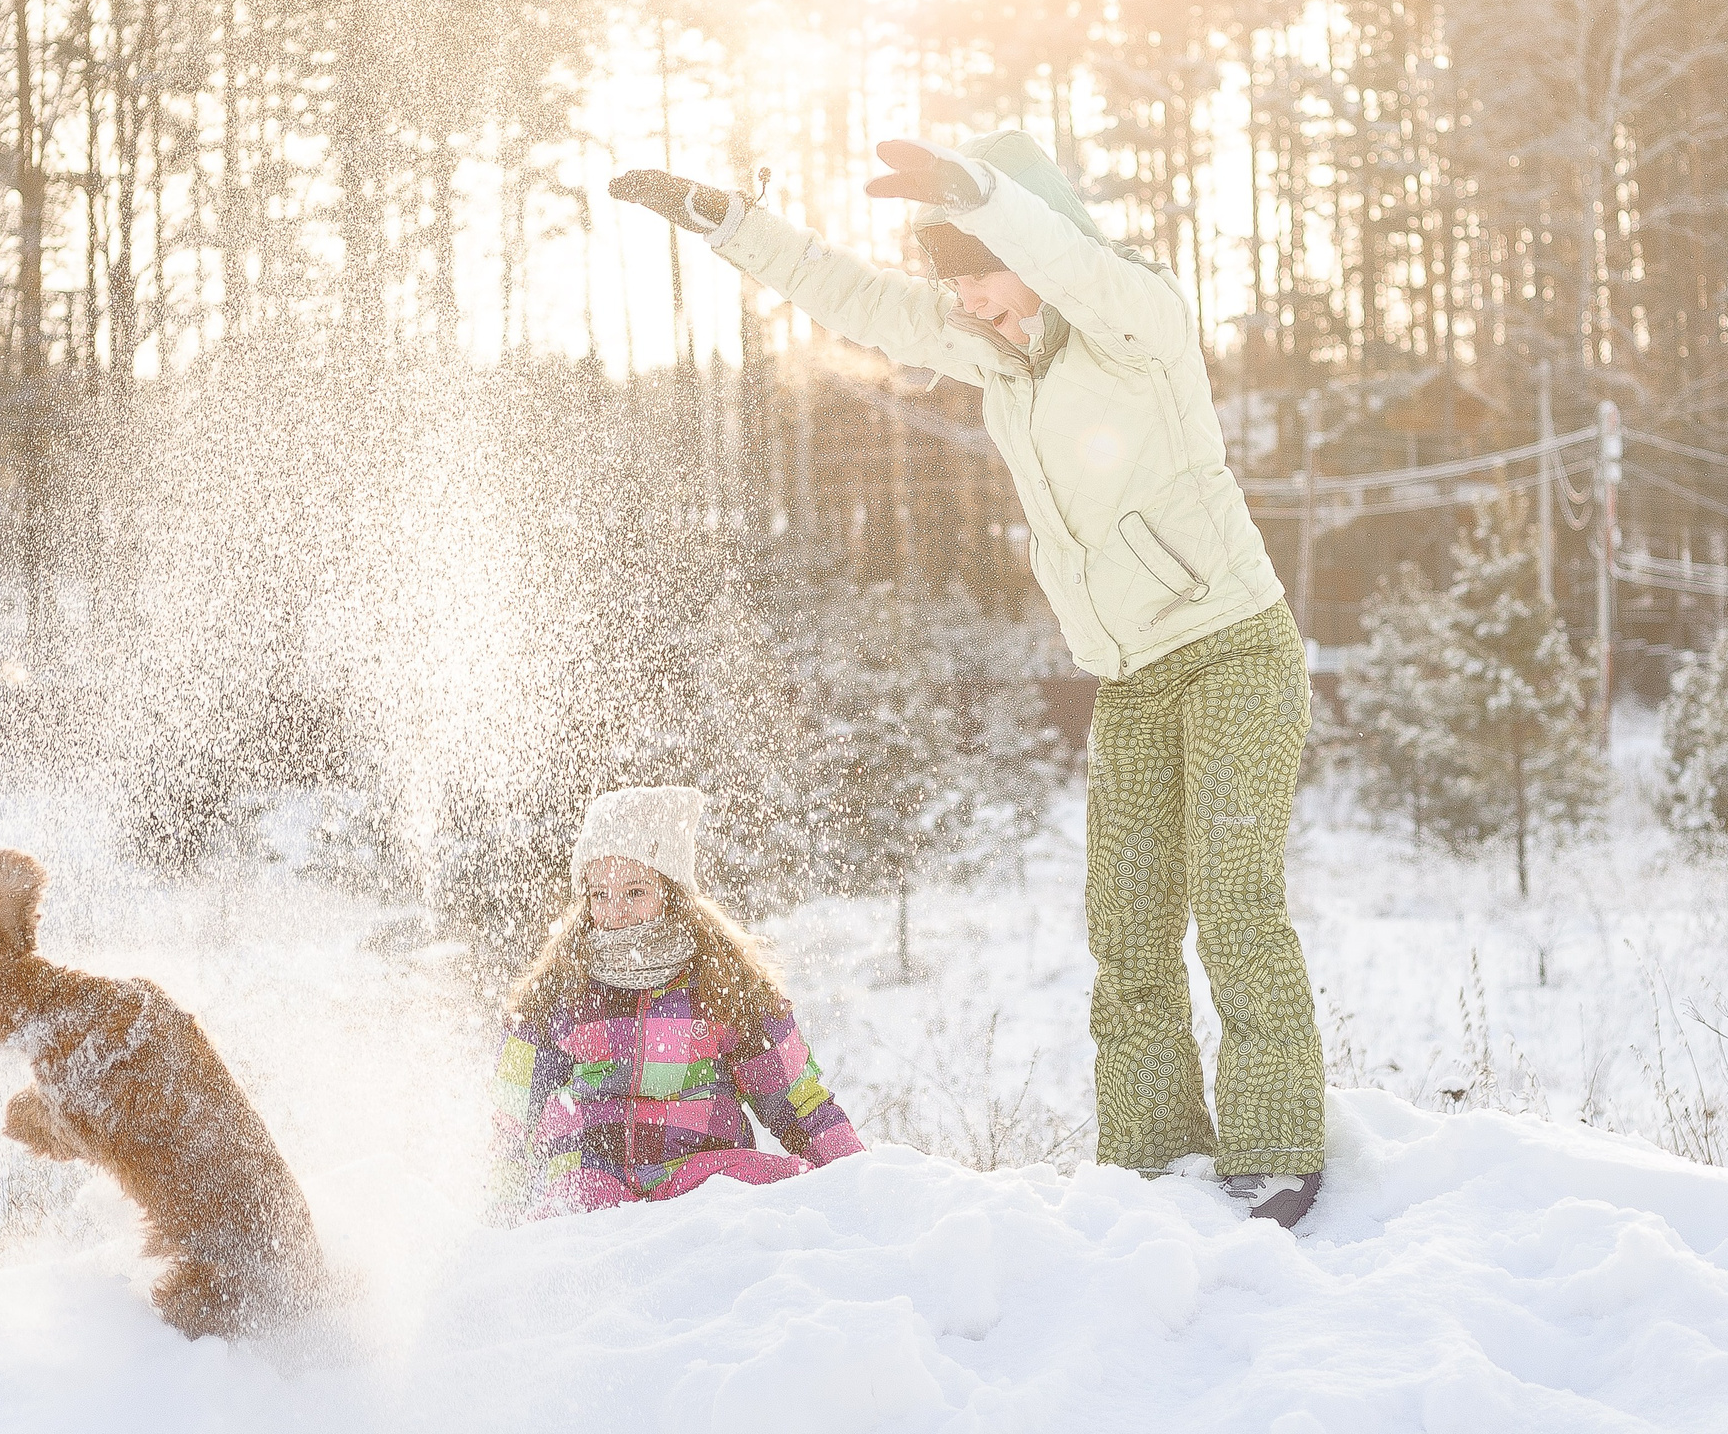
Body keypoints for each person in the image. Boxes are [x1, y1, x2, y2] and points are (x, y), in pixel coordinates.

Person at [609, 133, 1327, 1227]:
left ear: (1027, 245)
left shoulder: (1139, 322)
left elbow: (1077, 263)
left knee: (1234, 907)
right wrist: (729, 222)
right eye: (959, 290)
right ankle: (1149, 1160)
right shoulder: (996, 354)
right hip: (1131, 679)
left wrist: (986, 196)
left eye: (982, 280)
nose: (971, 310)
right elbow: (849, 294)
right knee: (1126, 932)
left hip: (1234, 648)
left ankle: (1276, 1149)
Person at [485, 786, 863, 1224]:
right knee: (578, 1202)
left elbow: (799, 1103)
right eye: (599, 895)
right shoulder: (560, 990)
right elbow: (513, 1119)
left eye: (635, 891)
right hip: (590, 1178)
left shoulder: (723, 983)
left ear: (672, 892)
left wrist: (858, 1182)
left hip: (701, 1177)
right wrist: (502, 1219)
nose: (616, 912)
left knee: (764, 1190)